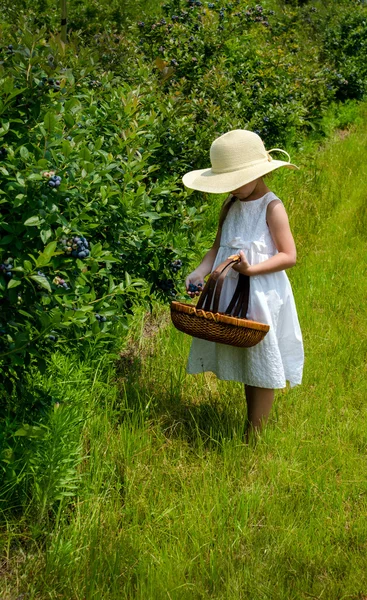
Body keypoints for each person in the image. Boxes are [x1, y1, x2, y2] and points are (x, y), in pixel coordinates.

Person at [182, 129, 304, 440]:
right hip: (233, 293)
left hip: (261, 292)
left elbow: (289, 255)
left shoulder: (271, 207)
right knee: (247, 355)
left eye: (236, 181)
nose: (232, 189)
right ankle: (251, 423)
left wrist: (253, 269)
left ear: (256, 173)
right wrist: (199, 272)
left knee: (262, 356)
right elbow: (216, 248)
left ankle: (255, 433)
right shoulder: (230, 206)